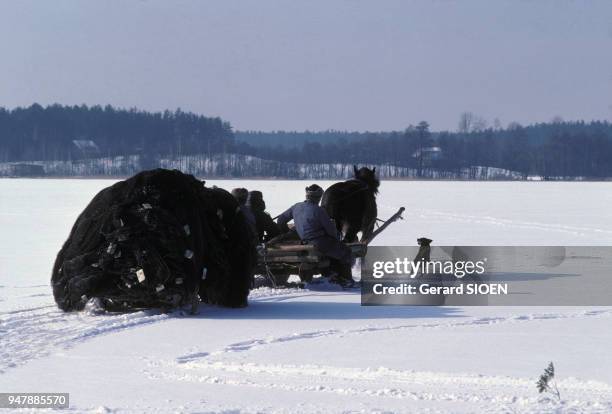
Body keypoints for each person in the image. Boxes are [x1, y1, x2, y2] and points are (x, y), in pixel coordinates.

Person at [276, 184, 353, 285]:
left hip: (304, 242)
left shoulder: (296, 207)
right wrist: (336, 240)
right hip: (319, 242)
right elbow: (331, 231)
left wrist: (290, 232)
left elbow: (280, 220)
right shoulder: (319, 210)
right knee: (346, 251)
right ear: (318, 197)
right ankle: (346, 280)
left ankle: (330, 274)